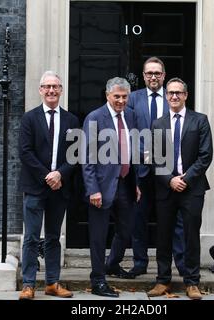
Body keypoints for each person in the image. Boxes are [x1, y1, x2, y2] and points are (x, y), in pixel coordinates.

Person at [147, 77, 213, 300]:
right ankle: (162, 280)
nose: (174, 96)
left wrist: (186, 178)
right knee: (163, 235)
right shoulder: (158, 124)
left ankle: (192, 282)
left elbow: (205, 156)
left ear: (186, 95)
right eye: (170, 93)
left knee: (191, 235)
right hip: (166, 189)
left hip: (192, 189)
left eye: (178, 93)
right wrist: (169, 180)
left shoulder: (200, 121)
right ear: (166, 96)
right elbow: (155, 158)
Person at [18, 71, 79, 300]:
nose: (51, 90)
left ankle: (52, 283)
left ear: (61, 90)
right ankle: (28, 284)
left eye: (55, 86)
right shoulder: (29, 118)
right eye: (47, 87)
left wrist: (59, 174)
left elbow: (75, 155)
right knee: (32, 237)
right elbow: (25, 152)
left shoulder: (72, 120)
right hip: (36, 187)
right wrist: (48, 176)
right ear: (40, 90)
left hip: (59, 188)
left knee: (54, 237)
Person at [127, 57, 186, 278]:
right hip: (141, 169)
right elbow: (128, 131)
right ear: (143, 76)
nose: (153, 76)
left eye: (157, 73)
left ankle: (180, 263)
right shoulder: (133, 99)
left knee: (174, 219)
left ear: (163, 75)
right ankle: (140, 263)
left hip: (168, 171)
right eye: (149, 73)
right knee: (138, 218)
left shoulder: (173, 98)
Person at [82, 77, 141, 297]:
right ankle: (98, 280)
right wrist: (92, 189)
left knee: (126, 230)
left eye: (125, 96)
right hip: (101, 185)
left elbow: (132, 151)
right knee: (98, 236)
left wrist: (136, 183)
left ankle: (112, 264)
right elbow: (87, 157)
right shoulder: (95, 118)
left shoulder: (132, 115)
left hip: (126, 184)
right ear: (107, 95)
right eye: (117, 96)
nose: (121, 100)